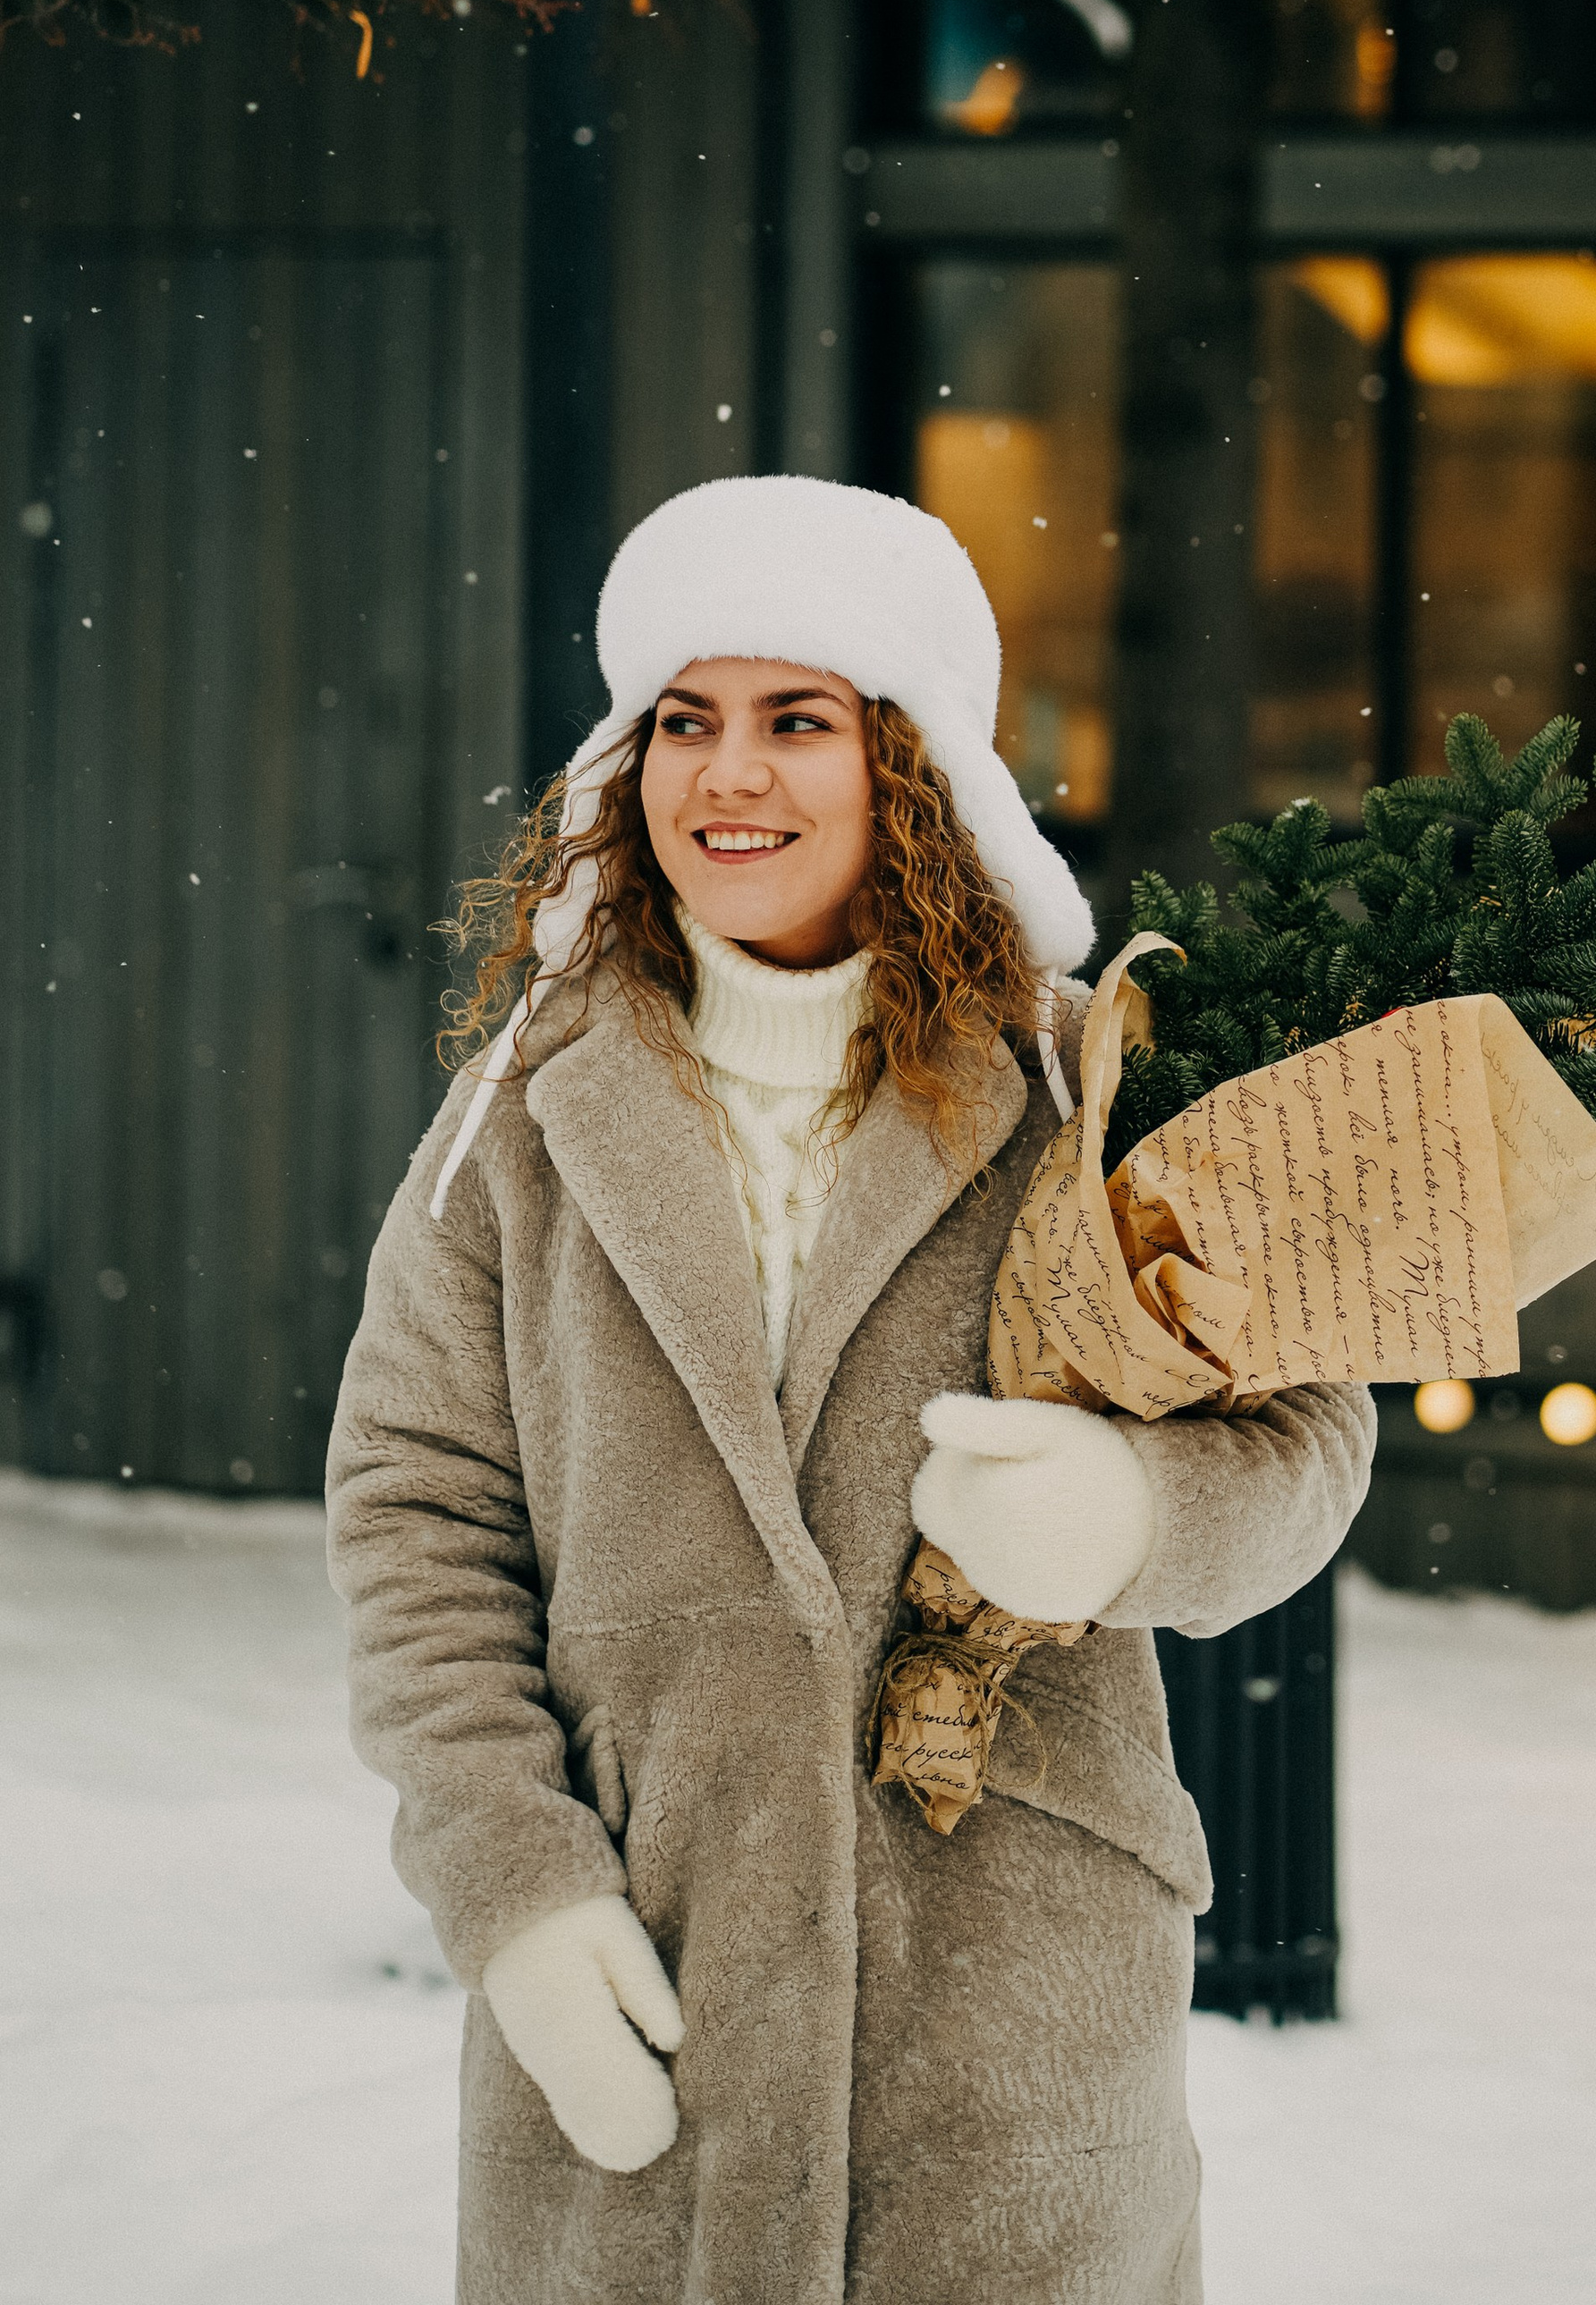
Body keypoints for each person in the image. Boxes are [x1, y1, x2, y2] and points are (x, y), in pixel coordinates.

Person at [325, 475, 1375, 2305]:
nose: (726, 777)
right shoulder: (524, 1112)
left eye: (794, 721)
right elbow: (417, 1510)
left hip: (1011, 2043)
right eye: (684, 721)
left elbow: (1303, 1436)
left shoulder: (1084, 1093)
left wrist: (1132, 1516)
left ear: (906, 763)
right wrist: (515, 1883)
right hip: (642, 1995)